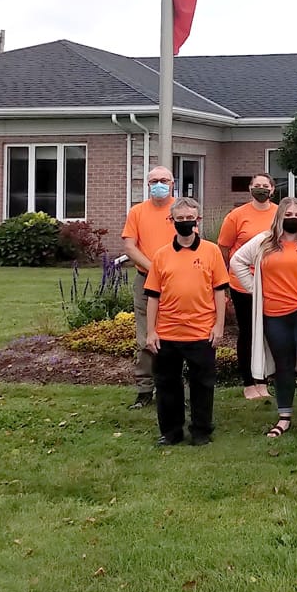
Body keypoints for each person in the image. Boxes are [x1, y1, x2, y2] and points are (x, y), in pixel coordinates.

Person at [230, 197, 297, 440]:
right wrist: (257, 290)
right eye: (287, 214)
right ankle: (284, 417)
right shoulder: (265, 241)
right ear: (279, 218)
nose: (292, 218)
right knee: (283, 368)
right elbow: (237, 261)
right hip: (275, 315)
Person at [144, 197, 228, 446]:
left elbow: (220, 292)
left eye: (189, 218)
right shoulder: (161, 255)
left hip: (201, 332)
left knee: (203, 385)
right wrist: (151, 331)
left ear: (197, 220)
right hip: (168, 333)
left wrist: (219, 326)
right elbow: (153, 296)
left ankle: (201, 431)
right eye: (179, 219)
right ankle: (171, 432)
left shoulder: (211, 251)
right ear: (172, 221)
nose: (184, 223)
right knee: (167, 385)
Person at [217, 172, 277, 400]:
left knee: (271, 331)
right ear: (250, 189)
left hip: (273, 284)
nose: (261, 189)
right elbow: (223, 248)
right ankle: (249, 382)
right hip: (243, 284)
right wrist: (225, 278)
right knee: (249, 332)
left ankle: (266, 377)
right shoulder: (236, 216)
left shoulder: (279, 213)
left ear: (272, 189)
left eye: (265, 185)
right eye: (257, 185)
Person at [121, 166, 176, 410]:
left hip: (177, 282)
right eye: (154, 181)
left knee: (176, 336)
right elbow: (130, 247)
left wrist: (171, 270)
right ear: (147, 185)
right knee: (146, 336)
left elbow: (188, 240)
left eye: (163, 180)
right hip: (145, 280)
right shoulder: (137, 212)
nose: (159, 184)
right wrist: (155, 268)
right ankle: (144, 389)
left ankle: (172, 387)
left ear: (172, 183)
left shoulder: (180, 209)